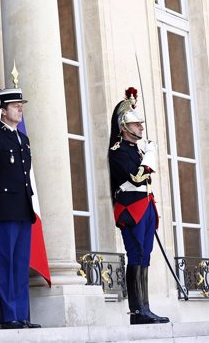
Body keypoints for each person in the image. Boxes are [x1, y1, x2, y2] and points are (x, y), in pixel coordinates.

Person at [0, 87, 40, 330]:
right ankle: (8, 315)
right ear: (3, 110)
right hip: (3, 207)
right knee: (5, 263)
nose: (20, 108)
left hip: (23, 207)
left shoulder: (22, 138)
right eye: (15, 105)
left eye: (20, 104)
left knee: (20, 264)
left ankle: (22, 315)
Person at [108, 88, 169, 325]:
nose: (141, 128)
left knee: (146, 256)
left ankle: (146, 307)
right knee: (136, 254)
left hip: (145, 207)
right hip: (130, 208)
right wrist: (149, 159)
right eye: (136, 125)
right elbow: (135, 176)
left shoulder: (137, 150)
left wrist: (148, 155)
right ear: (124, 127)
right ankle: (137, 311)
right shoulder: (119, 151)